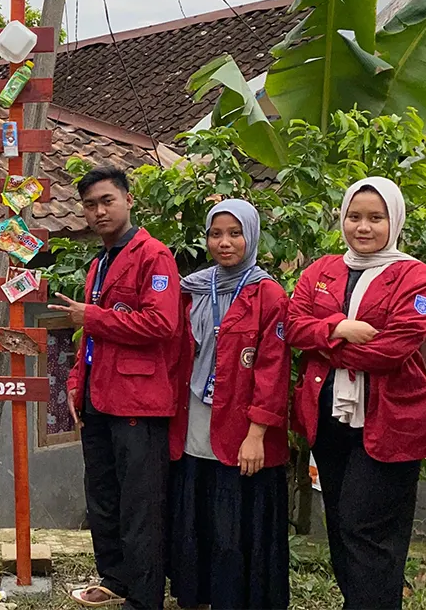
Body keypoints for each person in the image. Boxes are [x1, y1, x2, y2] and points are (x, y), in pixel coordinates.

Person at [286, 177, 426, 610]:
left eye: (376, 218)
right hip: (329, 417)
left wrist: (324, 345)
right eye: (354, 216)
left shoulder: (415, 276)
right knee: (341, 521)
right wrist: (338, 328)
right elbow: (294, 325)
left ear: (393, 220)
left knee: (366, 524)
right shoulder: (322, 269)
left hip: (391, 420)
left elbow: (395, 347)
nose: (363, 227)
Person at [51, 165, 183, 610]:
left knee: (140, 503)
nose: (99, 211)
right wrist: (75, 381)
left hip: (139, 401)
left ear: (129, 200)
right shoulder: (99, 263)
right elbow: (89, 337)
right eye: (91, 205)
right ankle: (115, 578)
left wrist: (92, 317)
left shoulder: (154, 257)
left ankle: (145, 598)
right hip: (98, 395)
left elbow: (162, 324)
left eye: (107, 200)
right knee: (103, 495)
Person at [167, 200, 290, 610]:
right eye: (215, 234)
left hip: (242, 425)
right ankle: (197, 594)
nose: (224, 243)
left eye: (235, 233)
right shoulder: (195, 287)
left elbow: (273, 368)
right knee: (198, 510)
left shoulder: (267, 293)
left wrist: (258, 434)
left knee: (234, 522)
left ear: (251, 236)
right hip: (196, 417)